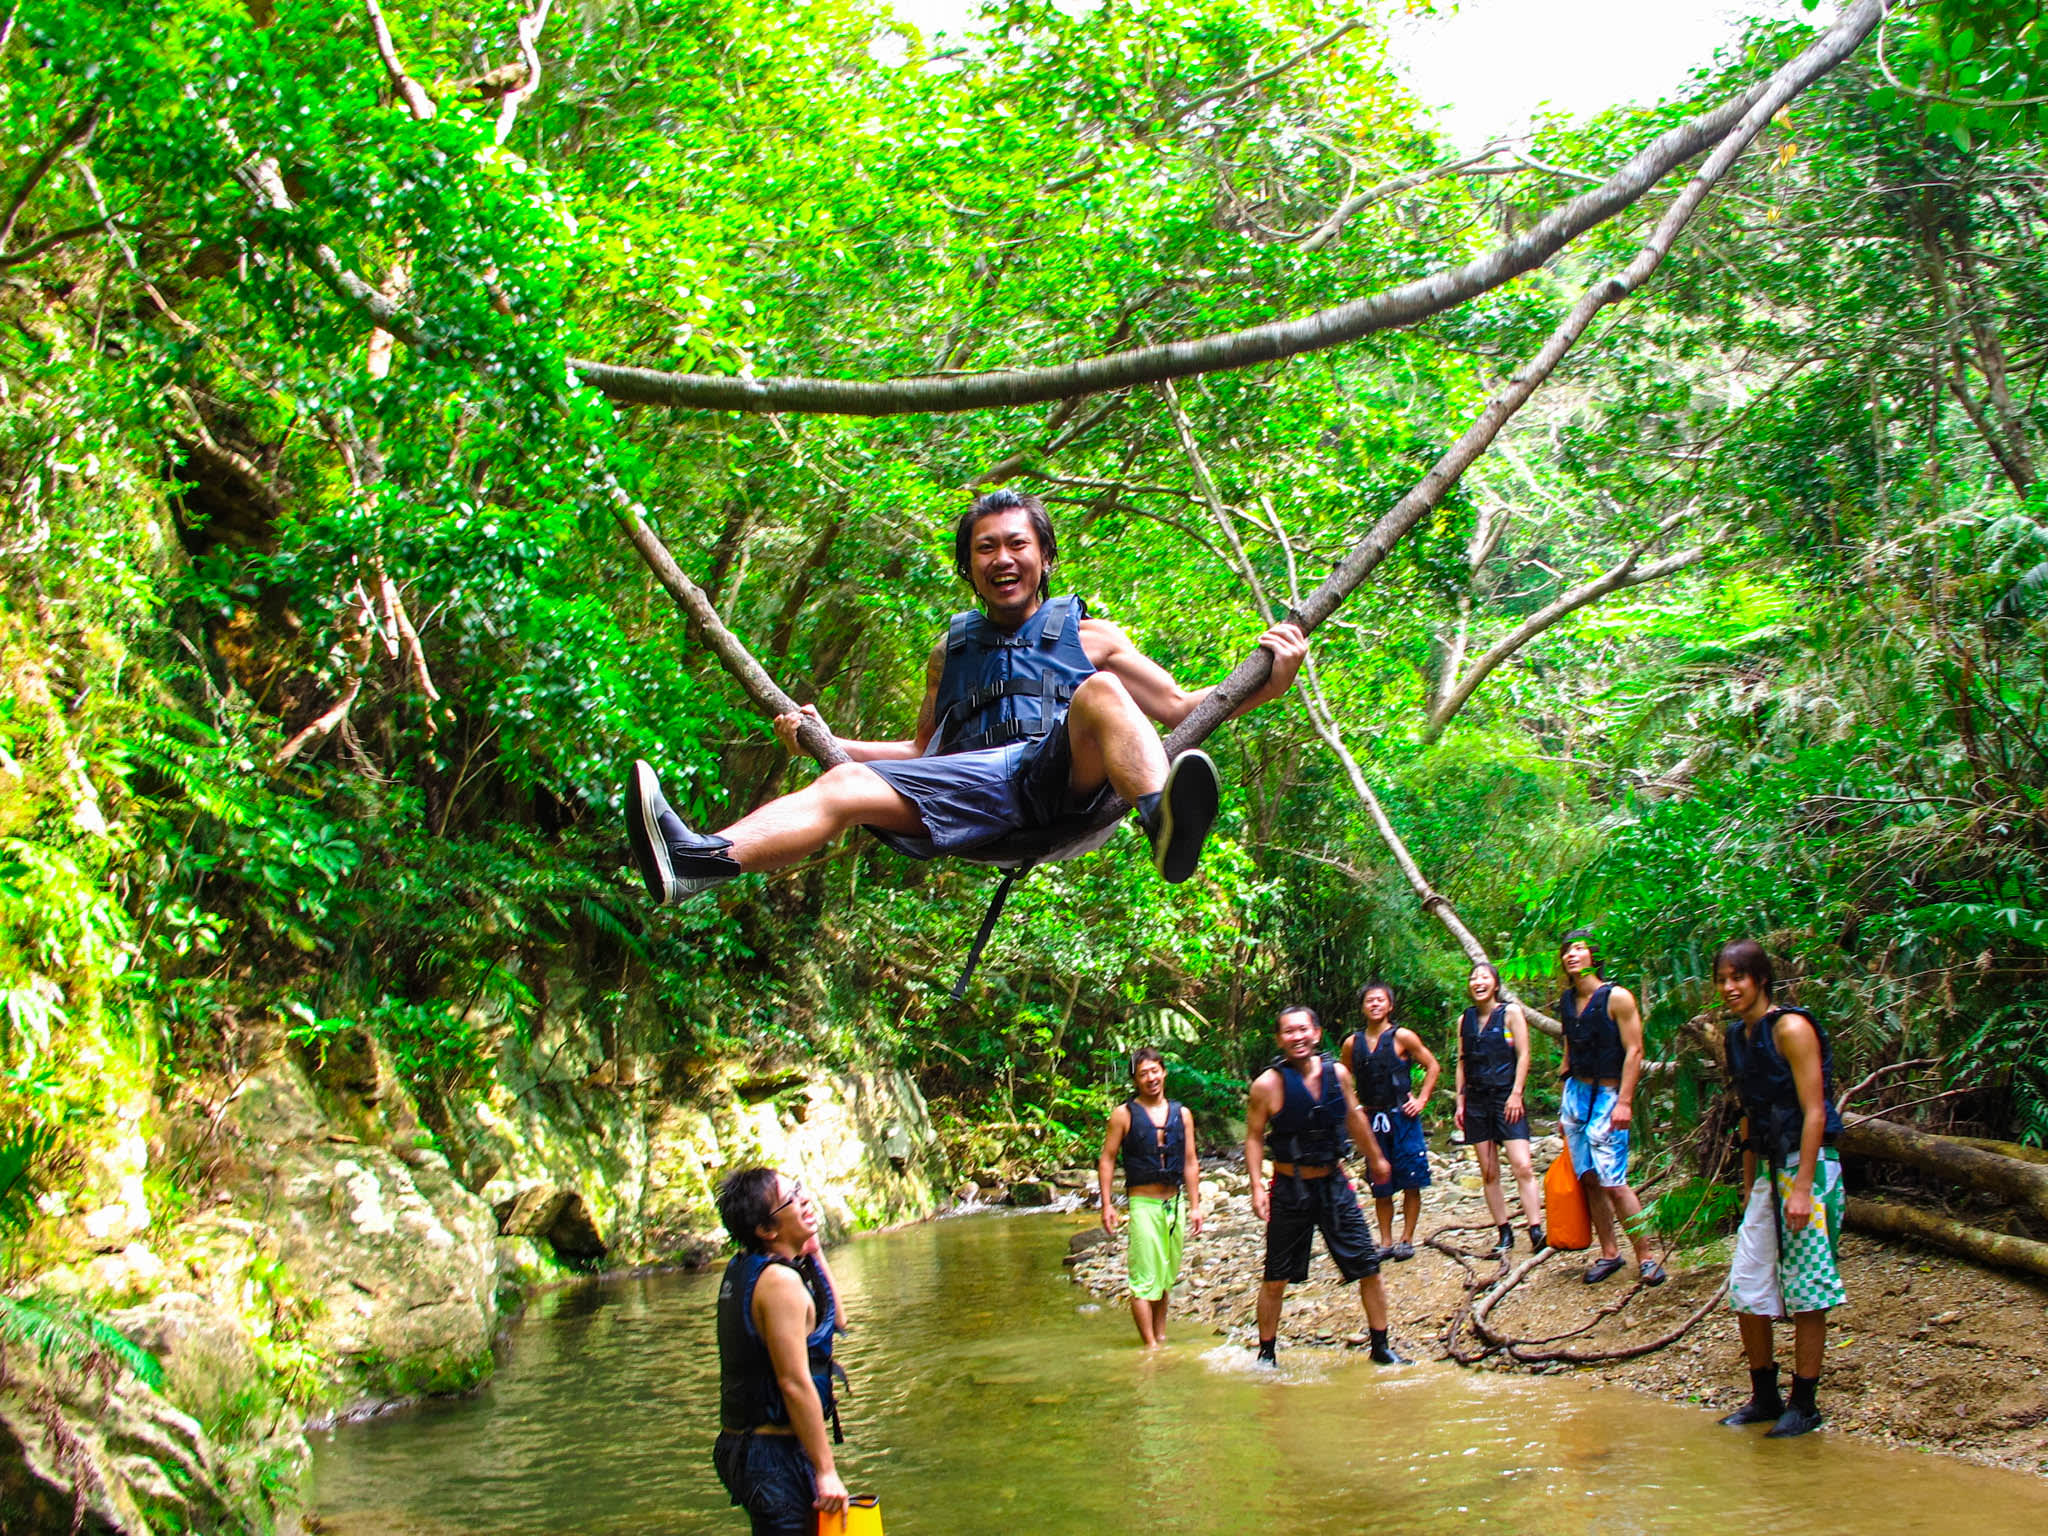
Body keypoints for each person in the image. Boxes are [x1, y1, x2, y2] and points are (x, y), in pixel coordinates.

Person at [627, 488, 1309, 904]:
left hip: (1056, 783)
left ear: (1044, 558)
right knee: (843, 786)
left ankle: (1162, 826)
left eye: (1017, 544)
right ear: (969, 568)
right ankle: (698, 862)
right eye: (985, 549)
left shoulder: (1093, 638)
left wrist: (1268, 686)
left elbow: (1181, 711)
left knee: (1100, 692)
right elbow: (922, 749)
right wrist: (823, 737)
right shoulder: (948, 651)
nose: (1002, 558)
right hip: (968, 790)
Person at [1713, 939, 1845, 1439]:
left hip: (1806, 1166)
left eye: (1738, 978)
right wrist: (1750, 1184)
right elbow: (1749, 1113)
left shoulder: (1791, 1028)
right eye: (1722, 980)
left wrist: (1802, 1188)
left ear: (1760, 980)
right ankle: (1764, 1395)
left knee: (1808, 1287)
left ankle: (1804, 1403)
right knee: (1747, 1284)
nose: (1729, 988)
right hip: (1768, 1169)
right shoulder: (1736, 1037)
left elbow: (1814, 1108)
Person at [1245, 1004, 1405, 1367]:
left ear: (1316, 1033)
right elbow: (1254, 1137)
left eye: (1303, 1029)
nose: (1297, 1037)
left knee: (1368, 1265)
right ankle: (1266, 1353)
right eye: (1288, 1031)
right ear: (1279, 1039)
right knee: (1276, 1276)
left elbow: (1353, 1117)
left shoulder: (1338, 1075)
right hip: (1289, 1188)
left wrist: (1376, 1159)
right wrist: (1257, 1186)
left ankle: (1381, 1346)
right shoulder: (1267, 1085)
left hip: (1334, 1183)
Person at [712, 1167, 850, 1533]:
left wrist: (814, 1251)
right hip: (770, 1456)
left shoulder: (755, 1267)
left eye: (800, 1189)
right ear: (767, 1231)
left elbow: (837, 1320)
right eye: (792, 1198)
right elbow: (793, 1381)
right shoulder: (779, 1283)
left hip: (752, 1448)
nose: (805, 1199)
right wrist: (826, 1471)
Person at [1555, 929, 1667, 1285]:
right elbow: (1570, 1041)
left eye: (1578, 949)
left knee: (1614, 1181)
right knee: (1588, 1178)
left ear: (1593, 955)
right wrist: (1565, 1081)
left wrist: (1625, 1102)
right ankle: (1609, 1253)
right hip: (1576, 1094)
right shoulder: (1567, 1000)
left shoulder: (1617, 998)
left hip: (1609, 1094)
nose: (1571, 956)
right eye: (1566, 952)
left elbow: (1635, 1050)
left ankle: (1647, 1256)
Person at [1096, 1047, 1203, 1347]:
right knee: (1144, 1280)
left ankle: (1161, 1335)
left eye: (1154, 1071)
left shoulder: (1182, 1114)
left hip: (1175, 1203)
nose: (1150, 1078)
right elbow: (1107, 1159)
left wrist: (1195, 1206)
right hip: (1143, 1204)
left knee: (1166, 1276)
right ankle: (1150, 1347)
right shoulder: (1123, 1114)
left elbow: (1191, 1160)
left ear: (1164, 1072)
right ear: (1135, 1080)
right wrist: (1107, 1205)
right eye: (1143, 1074)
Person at [1338, 980, 1439, 1261]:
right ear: (1362, 1006)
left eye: (1380, 1000)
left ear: (1390, 1005)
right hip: (1371, 1119)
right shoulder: (1352, 1043)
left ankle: (1406, 1239)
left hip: (1402, 1117)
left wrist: (1421, 1100)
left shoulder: (1402, 1037)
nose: (1374, 1004)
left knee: (1411, 1179)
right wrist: (1352, 1108)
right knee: (1380, 1182)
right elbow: (1342, 1078)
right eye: (1369, 1000)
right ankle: (1385, 1241)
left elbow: (1432, 1065)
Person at [1454, 961, 1545, 1256]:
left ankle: (1535, 1228)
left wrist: (1517, 1093)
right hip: (1477, 1100)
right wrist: (1460, 1102)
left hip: (1506, 1096)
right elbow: (1461, 1061)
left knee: (1522, 1165)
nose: (1478, 982)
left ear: (1495, 984)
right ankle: (1503, 1231)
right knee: (1489, 1171)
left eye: (1484, 977)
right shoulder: (1464, 1020)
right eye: (1473, 978)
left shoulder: (1511, 1013)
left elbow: (1524, 1053)